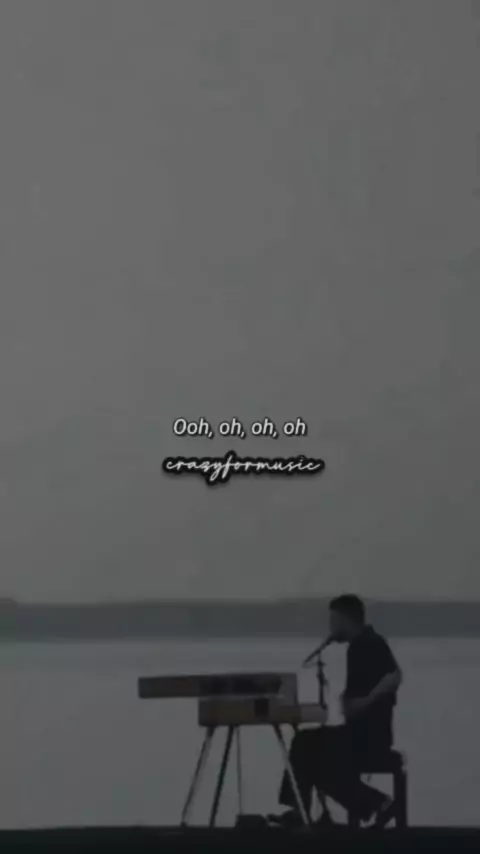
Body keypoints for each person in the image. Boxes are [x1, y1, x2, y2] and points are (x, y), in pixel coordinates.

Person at [274, 594, 402, 826]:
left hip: (367, 736)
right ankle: (375, 804)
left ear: (345, 620)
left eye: (333, 621)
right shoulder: (372, 641)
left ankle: (377, 803)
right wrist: (362, 699)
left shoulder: (363, 647)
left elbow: (354, 707)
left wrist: (359, 701)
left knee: (305, 746)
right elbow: (394, 676)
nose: (331, 627)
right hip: (368, 733)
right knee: (308, 748)